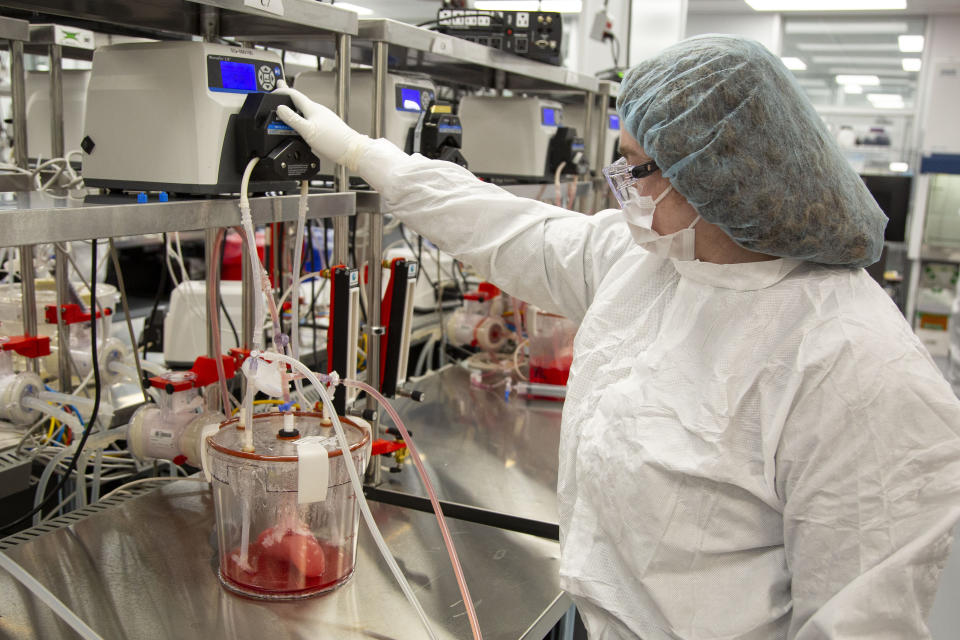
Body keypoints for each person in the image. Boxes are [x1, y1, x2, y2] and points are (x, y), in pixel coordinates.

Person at [277, 35, 960, 639]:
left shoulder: (861, 372)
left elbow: (860, 624)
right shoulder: (661, 263)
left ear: (717, 177)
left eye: (637, 168)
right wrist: (366, 154)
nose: (620, 188)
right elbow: (514, 230)